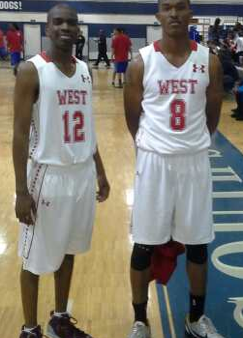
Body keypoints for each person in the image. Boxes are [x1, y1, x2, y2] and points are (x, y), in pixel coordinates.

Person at [124, 0, 225, 338]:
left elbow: (213, 113)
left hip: (194, 161)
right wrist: (155, 144)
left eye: (181, 7)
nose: (174, 14)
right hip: (154, 162)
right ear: (158, 16)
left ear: (190, 14)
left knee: (198, 244)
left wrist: (193, 142)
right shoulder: (142, 62)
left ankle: (195, 318)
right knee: (144, 243)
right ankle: (140, 320)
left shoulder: (208, 61)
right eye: (167, 8)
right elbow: (132, 117)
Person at [13, 4, 110, 338]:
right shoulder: (31, 70)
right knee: (34, 259)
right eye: (59, 22)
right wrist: (21, 191)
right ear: (47, 27)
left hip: (81, 174)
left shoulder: (83, 69)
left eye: (71, 22)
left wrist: (100, 170)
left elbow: (87, 128)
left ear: (78, 28)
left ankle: (59, 320)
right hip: (46, 177)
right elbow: (20, 135)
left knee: (68, 250)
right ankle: (29, 329)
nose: (65, 27)